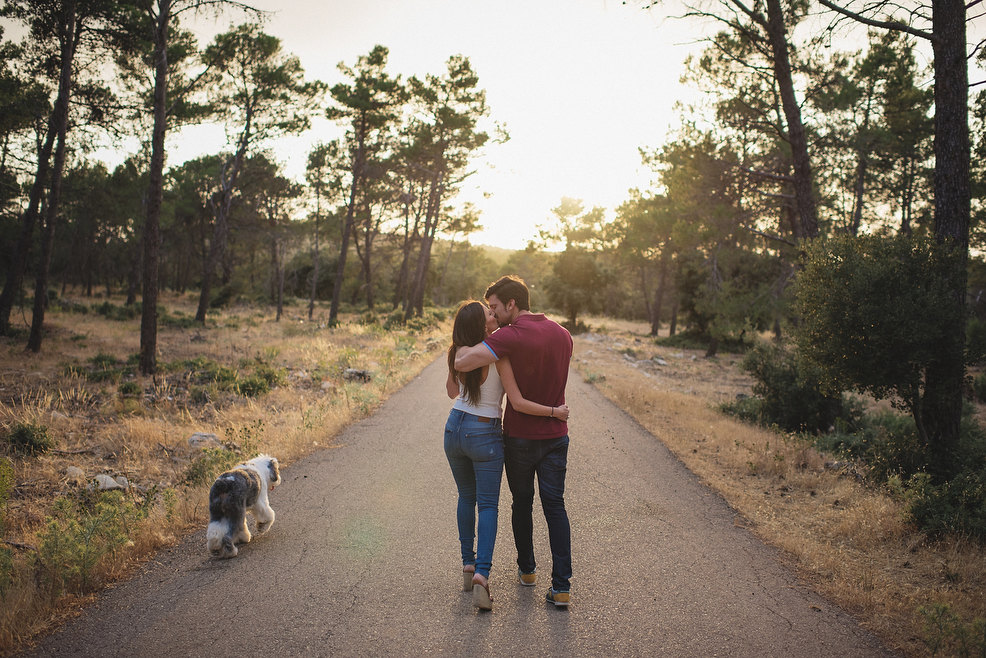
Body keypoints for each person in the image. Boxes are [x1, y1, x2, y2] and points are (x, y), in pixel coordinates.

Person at [454, 275, 574, 608]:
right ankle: (562, 587)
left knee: (522, 503)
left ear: (511, 304)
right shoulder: (564, 335)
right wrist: (555, 411)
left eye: (494, 307)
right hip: (556, 437)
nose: (491, 314)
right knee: (556, 506)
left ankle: (528, 570)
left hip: (521, 437)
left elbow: (463, 363)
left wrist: (459, 345)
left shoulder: (509, 335)